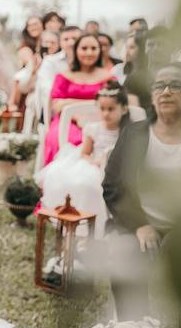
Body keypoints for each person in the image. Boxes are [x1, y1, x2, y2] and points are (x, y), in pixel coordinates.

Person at [103, 64, 181, 323]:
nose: (166, 91)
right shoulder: (135, 134)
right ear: (151, 96)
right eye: (159, 86)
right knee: (122, 254)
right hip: (138, 222)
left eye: (175, 85)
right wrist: (140, 225)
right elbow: (113, 186)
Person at [38, 80, 129, 238]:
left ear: (124, 109)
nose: (106, 113)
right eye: (102, 109)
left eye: (111, 109)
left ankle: (111, 225)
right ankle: (85, 228)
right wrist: (95, 161)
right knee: (86, 184)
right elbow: (85, 154)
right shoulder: (94, 129)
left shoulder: (127, 131)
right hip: (94, 165)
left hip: (117, 168)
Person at [42, 33, 115, 165]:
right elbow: (57, 105)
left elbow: (114, 102)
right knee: (63, 139)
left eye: (93, 48)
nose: (89, 52)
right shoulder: (63, 76)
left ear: (99, 51)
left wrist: (70, 102)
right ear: (76, 50)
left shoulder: (108, 77)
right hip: (67, 121)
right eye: (84, 48)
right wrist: (78, 116)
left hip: (102, 120)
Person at [35, 26, 82, 122]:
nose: (71, 43)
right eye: (66, 39)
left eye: (75, 39)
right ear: (60, 43)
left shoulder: (88, 62)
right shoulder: (50, 61)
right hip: (57, 111)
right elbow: (47, 87)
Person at [8, 15, 44, 112]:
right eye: (30, 25)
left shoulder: (49, 42)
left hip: (43, 76)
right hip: (29, 78)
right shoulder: (25, 48)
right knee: (19, 78)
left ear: (43, 25)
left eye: (35, 24)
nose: (33, 27)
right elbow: (31, 67)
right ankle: (13, 104)